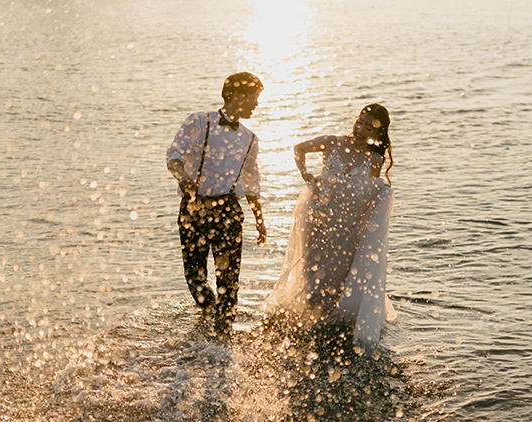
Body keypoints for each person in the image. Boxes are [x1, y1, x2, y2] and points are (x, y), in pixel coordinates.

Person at [264, 103, 396, 346]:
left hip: (347, 226)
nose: (360, 129)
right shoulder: (332, 142)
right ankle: (309, 324)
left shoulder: (374, 159)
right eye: (360, 122)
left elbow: (365, 196)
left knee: (337, 277)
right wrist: (305, 174)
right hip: (318, 219)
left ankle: (325, 330)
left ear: (378, 134)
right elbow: (299, 148)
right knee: (312, 272)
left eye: (369, 127)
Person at [167, 72, 267, 334]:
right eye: (254, 98)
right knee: (195, 279)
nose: (257, 104)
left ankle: (224, 335)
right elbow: (174, 155)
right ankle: (208, 313)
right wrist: (184, 178)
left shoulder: (250, 139)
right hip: (194, 207)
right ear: (237, 96)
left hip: (229, 211)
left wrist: (259, 219)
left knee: (229, 279)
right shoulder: (201, 122)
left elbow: (252, 182)